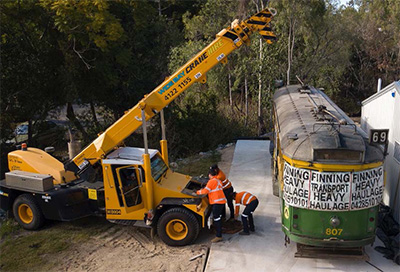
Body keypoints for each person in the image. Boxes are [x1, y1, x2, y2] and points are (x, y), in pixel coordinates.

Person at [196, 168, 227, 243]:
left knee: (216, 219)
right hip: (221, 202)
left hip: (217, 203)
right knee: (218, 217)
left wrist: (197, 192)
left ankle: (218, 236)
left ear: (210, 175)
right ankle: (219, 231)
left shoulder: (211, 181)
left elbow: (205, 191)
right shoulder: (218, 181)